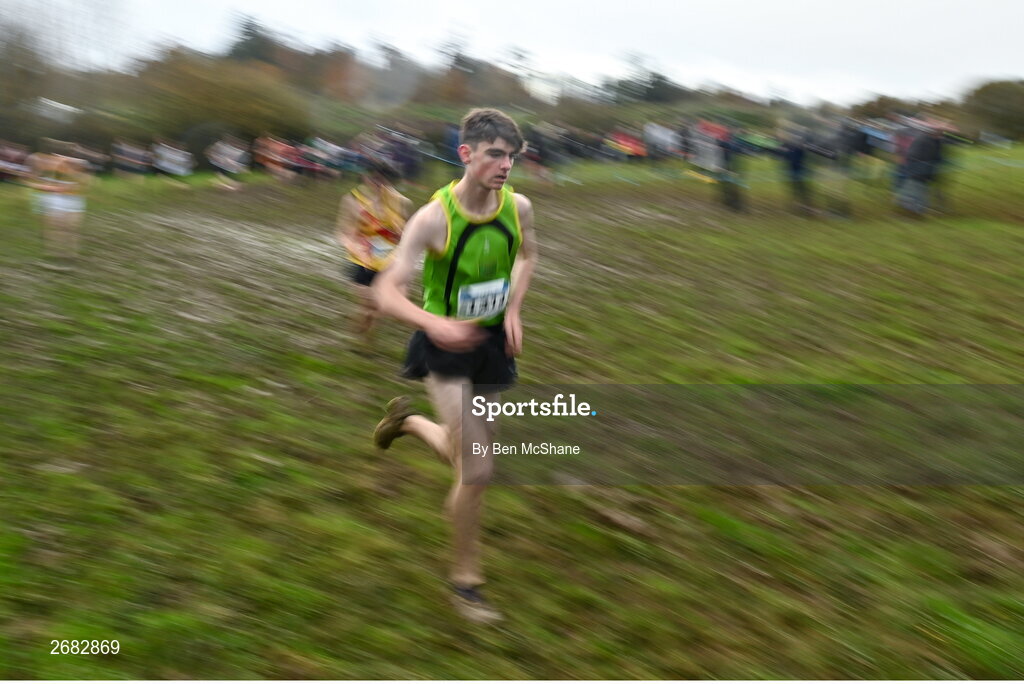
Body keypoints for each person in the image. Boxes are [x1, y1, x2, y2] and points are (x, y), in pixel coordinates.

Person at [371, 108, 538, 623]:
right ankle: (466, 582)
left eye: (511, 156)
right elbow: (385, 290)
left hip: (489, 343)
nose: (505, 165)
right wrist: (433, 323)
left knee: (468, 456)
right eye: (495, 154)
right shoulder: (432, 218)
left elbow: (527, 256)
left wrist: (512, 308)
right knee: (480, 468)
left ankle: (408, 423)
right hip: (444, 347)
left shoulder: (520, 208)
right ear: (466, 154)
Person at [336, 157, 411, 346]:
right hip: (361, 260)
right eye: (373, 179)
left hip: (387, 260)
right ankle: (359, 335)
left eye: (382, 179)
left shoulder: (400, 202)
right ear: (365, 178)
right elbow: (342, 232)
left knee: (378, 306)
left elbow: (409, 236)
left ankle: (365, 340)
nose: (378, 184)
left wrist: (400, 231)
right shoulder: (353, 200)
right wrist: (353, 247)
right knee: (368, 304)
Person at [25, 143, 91, 267]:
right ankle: (62, 256)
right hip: (66, 201)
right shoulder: (61, 164)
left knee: (60, 230)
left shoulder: (73, 164)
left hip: (67, 202)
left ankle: (63, 258)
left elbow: (72, 185)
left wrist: (38, 186)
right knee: (61, 230)